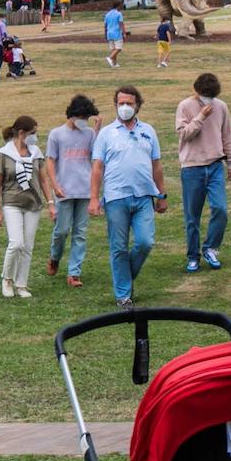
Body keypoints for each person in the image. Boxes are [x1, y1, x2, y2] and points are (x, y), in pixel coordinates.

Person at [89, 86, 169, 307]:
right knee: (118, 246)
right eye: (121, 103)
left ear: (137, 105)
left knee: (145, 242)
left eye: (129, 103)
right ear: (115, 105)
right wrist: (94, 199)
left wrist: (162, 195)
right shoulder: (106, 133)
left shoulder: (149, 131)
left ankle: (125, 276)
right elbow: (97, 167)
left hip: (144, 196)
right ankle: (123, 295)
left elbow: (156, 165)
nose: (125, 107)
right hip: (116, 197)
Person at [175, 72, 231, 273]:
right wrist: (200, 117)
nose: (208, 99)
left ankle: (211, 247)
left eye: (212, 96)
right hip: (192, 168)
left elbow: (227, 135)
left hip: (216, 165)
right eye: (205, 95)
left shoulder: (222, 106)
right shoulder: (185, 106)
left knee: (221, 209)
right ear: (197, 91)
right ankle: (193, 256)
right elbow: (184, 135)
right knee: (192, 216)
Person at [0, 114, 56, 299]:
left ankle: (21, 284)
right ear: (21, 133)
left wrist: (50, 203)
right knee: (16, 243)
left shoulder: (36, 153)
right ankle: (7, 279)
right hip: (12, 203)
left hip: (33, 204)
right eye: (33, 133)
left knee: (27, 246)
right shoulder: (4, 155)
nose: (35, 137)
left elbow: (43, 180)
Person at [45, 95, 101, 288]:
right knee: (61, 230)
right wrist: (55, 185)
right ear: (73, 115)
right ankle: (54, 257)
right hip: (64, 190)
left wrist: (97, 130)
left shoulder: (90, 134)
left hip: (85, 190)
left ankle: (74, 272)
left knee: (80, 233)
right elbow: (50, 161)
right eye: (82, 117)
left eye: (87, 118)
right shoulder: (56, 134)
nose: (84, 121)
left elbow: (96, 158)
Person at [104, 2, 126, 68]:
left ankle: (114, 64)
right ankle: (110, 58)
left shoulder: (107, 14)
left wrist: (105, 33)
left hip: (109, 33)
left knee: (113, 49)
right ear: (118, 6)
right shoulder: (119, 14)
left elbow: (105, 25)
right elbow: (121, 24)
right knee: (118, 48)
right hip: (116, 33)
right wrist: (124, 33)